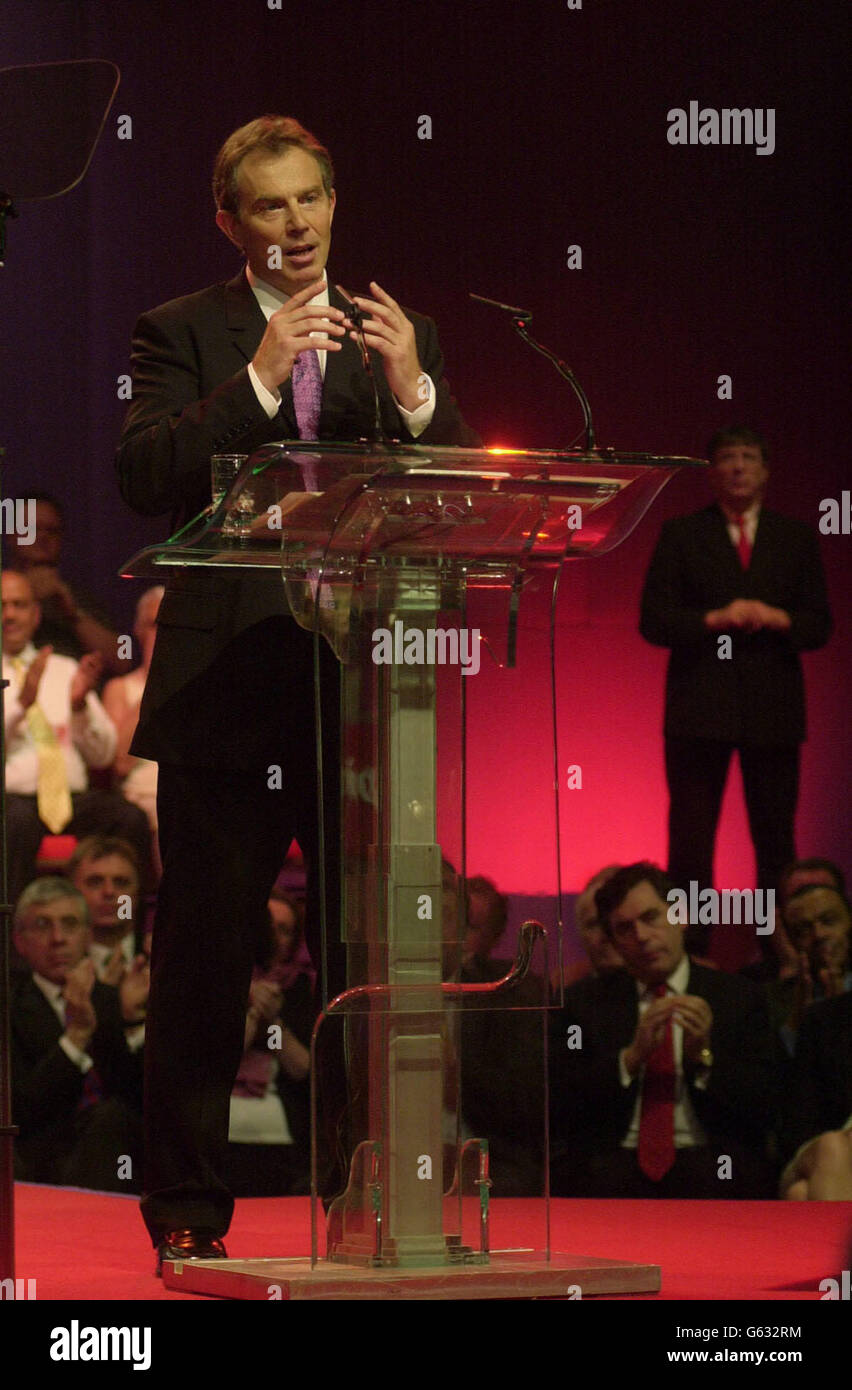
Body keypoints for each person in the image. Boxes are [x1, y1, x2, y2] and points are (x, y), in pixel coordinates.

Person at [115, 115, 478, 1269]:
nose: (298, 225)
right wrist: (264, 378)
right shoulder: (182, 332)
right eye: (270, 207)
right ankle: (186, 1205)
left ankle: (375, 1196)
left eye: (311, 199)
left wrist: (416, 389)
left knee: (372, 963)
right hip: (227, 695)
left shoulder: (389, 335)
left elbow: (457, 494)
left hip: (359, 701)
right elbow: (144, 476)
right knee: (205, 966)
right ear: (231, 223)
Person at [640, 427, 832, 956]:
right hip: (698, 714)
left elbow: (820, 626)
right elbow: (653, 622)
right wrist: (714, 619)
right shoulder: (682, 534)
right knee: (691, 843)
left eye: (749, 457)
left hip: (773, 714)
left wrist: (777, 617)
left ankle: (785, 954)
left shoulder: (794, 538)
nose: (738, 467)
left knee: (776, 840)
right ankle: (689, 952)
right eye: (727, 458)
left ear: (766, 470)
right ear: (711, 472)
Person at [550, 862, 776, 1198]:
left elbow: (769, 1100)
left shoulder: (739, 997)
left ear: (681, 916)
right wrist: (629, 1059)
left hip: (713, 1160)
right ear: (613, 940)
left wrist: (703, 1059)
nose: (641, 936)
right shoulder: (583, 1004)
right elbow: (559, 1101)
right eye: (624, 929)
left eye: (651, 917)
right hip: (614, 1163)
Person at [2, 570, 152, 904]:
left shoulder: (65, 668)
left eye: (19, 605)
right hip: (14, 801)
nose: (10, 614)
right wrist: (20, 706)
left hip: (71, 798)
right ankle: (12, 950)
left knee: (129, 818)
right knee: (13, 824)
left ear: (36, 614)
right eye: (2, 605)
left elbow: (103, 756)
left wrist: (80, 705)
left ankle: (131, 942)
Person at [11, 878, 146, 1191]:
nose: (57, 939)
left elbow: (137, 1099)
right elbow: (21, 1112)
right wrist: (76, 1036)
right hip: (40, 1161)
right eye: (42, 925)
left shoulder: (112, 999)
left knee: (115, 1119)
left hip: (117, 1160)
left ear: (87, 936)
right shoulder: (8, 1007)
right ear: (19, 941)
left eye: (69, 924)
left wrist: (133, 1022)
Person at [224, 890, 314, 1196]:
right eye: (267, 925)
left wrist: (273, 1020)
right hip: (221, 1125)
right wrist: (250, 1010)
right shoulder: (220, 982)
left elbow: (302, 1068)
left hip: (278, 1130)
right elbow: (220, 1065)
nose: (273, 936)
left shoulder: (300, 988)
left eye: (284, 929)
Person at [6, 492, 123, 673]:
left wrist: (73, 615)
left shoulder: (77, 597)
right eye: (32, 529)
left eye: (52, 531)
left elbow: (123, 659)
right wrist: (26, 593)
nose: (43, 537)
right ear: (10, 534)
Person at [101, 587, 164, 872]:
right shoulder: (120, 688)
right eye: (155, 624)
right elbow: (120, 763)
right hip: (143, 799)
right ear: (138, 631)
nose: (163, 634)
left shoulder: (206, 686)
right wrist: (160, 681)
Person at [778, 991, 852, 1199]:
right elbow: (800, 1113)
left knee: (800, 1194)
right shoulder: (826, 1017)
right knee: (832, 1146)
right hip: (822, 1146)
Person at [68, 835, 146, 984]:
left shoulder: (162, 958)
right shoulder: (57, 965)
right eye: (95, 882)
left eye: (121, 883)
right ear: (72, 892)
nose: (109, 892)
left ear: (136, 895)